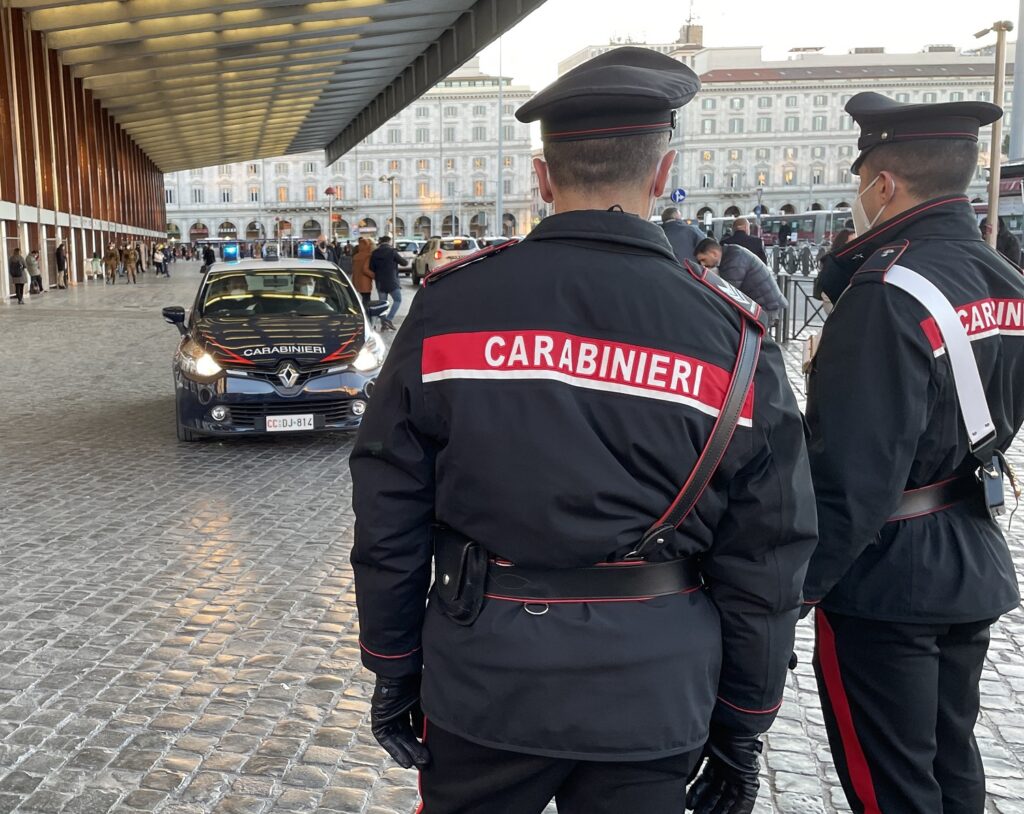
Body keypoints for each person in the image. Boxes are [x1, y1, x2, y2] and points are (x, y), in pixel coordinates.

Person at [350, 46, 816, 814]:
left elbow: (388, 503)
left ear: (542, 178)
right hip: (654, 687)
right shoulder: (732, 334)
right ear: (662, 175)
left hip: (486, 677)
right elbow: (768, 549)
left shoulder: (449, 307)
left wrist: (394, 663)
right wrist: (743, 723)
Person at [804, 92, 1023, 814]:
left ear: (883, 184)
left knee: (891, 787)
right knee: (951, 766)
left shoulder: (888, 290)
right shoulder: (1003, 279)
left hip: (887, 574)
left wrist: (795, 591)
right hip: (968, 550)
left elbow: (851, 478)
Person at [695, 237, 788, 320]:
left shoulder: (734, 259)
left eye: (703, 260)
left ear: (714, 253)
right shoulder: (730, 254)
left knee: (748, 337)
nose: (702, 265)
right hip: (761, 305)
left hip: (767, 308)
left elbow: (728, 293)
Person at [368, 235, 406, 330]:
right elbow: (404, 263)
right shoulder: (392, 252)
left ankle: (384, 324)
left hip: (380, 282)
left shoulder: (375, 253)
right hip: (392, 281)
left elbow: (371, 267)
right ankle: (388, 319)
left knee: (382, 304)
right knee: (398, 300)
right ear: (389, 242)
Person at [352, 236, 375, 307]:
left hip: (356, 280)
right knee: (366, 300)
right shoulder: (368, 256)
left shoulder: (356, 256)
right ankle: (366, 314)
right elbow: (365, 269)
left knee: (360, 298)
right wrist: (374, 275)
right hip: (365, 282)